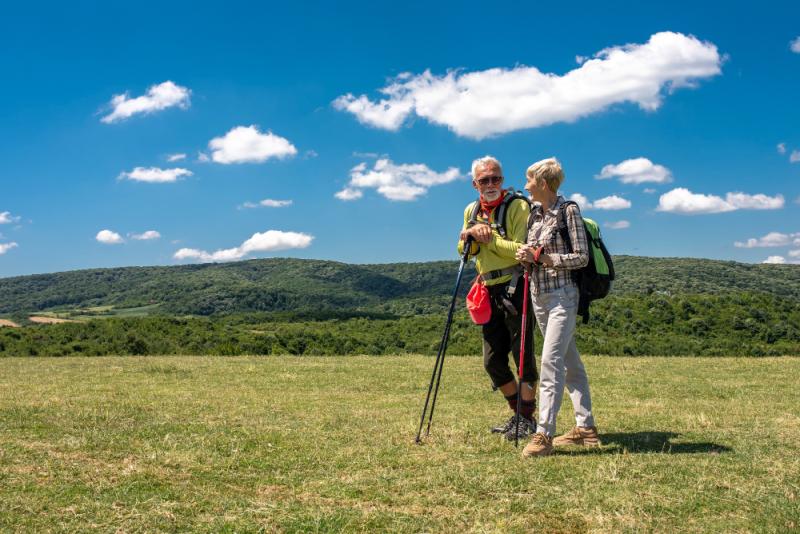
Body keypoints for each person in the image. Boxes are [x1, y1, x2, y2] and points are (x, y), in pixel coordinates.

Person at [515, 157, 600, 457]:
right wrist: (526, 255)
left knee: (551, 360)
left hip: (564, 295)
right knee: (569, 360)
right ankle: (586, 428)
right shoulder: (534, 215)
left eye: (530, 180)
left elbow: (582, 256)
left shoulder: (569, 211)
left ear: (544, 183)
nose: (526, 185)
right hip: (539, 295)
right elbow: (535, 253)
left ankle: (543, 435)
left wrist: (550, 260)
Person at [457, 155, 538, 441]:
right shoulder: (472, 209)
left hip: (516, 286)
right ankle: (520, 415)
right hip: (488, 288)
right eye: (484, 180)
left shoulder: (517, 206)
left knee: (523, 355)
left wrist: (487, 236)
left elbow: (521, 249)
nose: (491, 184)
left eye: (496, 178)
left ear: (502, 180)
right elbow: (462, 250)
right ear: (474, 183)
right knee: (492, 361)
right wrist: (469, 234)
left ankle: (526, 419)